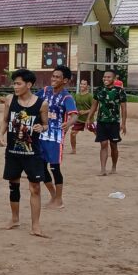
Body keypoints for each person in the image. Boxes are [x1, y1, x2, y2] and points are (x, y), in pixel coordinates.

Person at [0, 69, 49, 237]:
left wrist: (41, 127)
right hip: (13, 152)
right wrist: (0, 134)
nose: (15, 86)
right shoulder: (10, 100)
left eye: (18, 83)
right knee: (13, 185)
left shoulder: (41, 103)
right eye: (14, 83)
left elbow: (46, 124)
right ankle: (15, 219)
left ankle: (36, 225)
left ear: (29, 85)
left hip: (32, 153)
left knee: (35, 188)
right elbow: (5, 120)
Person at [36, 65, 78, 209]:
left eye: (57, 77)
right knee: (41, 168)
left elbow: (75, 115)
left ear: (65, 80)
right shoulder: (46, 91)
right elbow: (32, 99)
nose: (53, 79)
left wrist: (69, 123)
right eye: (53, 76)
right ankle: (54, 196)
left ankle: (59, 200)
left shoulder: (67, 97)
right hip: (41, 135)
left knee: (55, 168)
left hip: (55, 138)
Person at [87, 69, 127, 176]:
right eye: (104, 77)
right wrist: (89, 118)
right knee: (103, 144)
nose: (106, 79)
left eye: (109, 77)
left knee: (114, 145)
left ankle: (113, 166)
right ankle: (103, 169)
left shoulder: (120, 91)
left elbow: (123, 108)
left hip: (114, 123)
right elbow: (94, 106)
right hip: (101, 122)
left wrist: (123, 123)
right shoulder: (99, 90)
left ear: (114, 78)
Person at [70, 78, 96, 153]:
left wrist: (85, 112)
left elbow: (95, 108)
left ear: (87, 86)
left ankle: (106, 148)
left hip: (89, 119)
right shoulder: (77, 95)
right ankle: (73, 149)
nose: (82, 85)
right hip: (79, 119)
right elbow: (74, 106)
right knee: (73, 133)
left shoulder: (90, 96)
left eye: (84, 84)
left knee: (98, 134)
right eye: (81, 83)